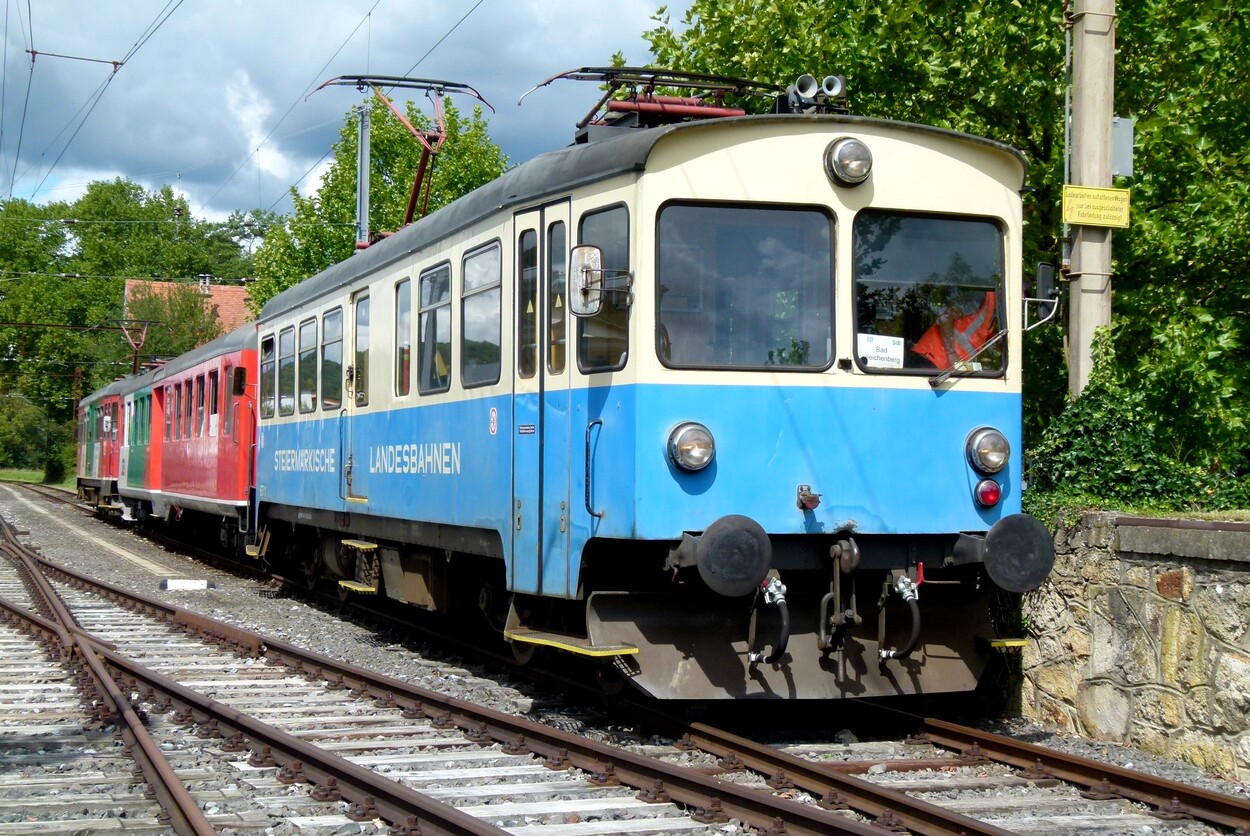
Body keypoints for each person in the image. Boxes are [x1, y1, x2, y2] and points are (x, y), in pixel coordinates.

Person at [912, 291, 997, 369]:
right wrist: (951, 354)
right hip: (931, 358)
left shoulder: (996, 311)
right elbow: (945, 318)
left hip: (948, 368)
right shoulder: (979, 296)